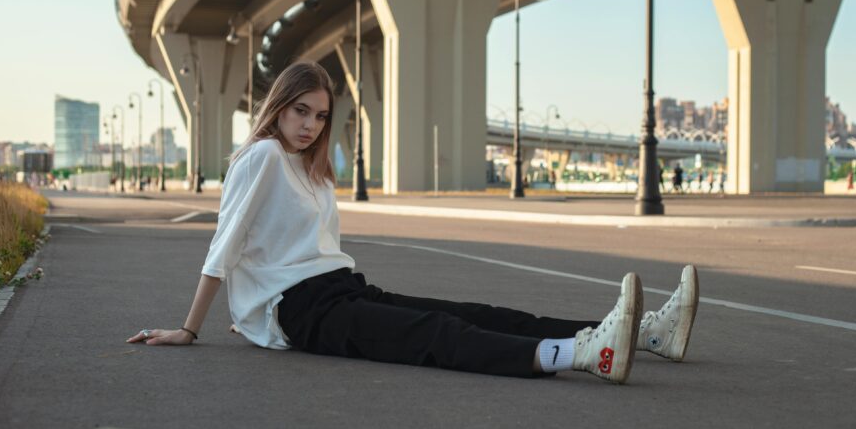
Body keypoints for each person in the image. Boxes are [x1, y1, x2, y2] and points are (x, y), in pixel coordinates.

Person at [128, 62, 700, 384]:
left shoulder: (314, 169)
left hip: (336, 290)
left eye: (320, 115)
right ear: (278, 106)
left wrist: (252, 318)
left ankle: (645, 333)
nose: (308, 124)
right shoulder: (261, 157)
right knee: (434, 337)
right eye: (300, 110)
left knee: (474, 314)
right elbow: (225, 247)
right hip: (304, 310)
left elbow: (285, 248)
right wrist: (192, 327)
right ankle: (579, 354)